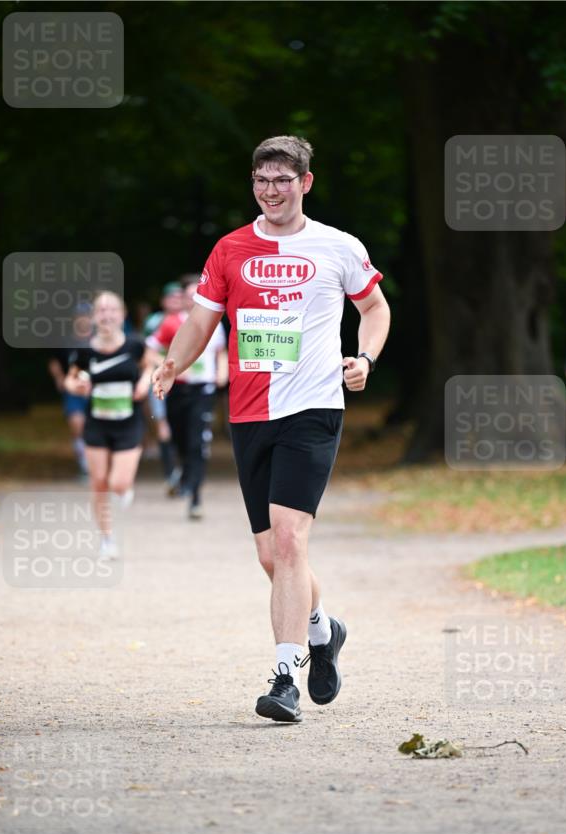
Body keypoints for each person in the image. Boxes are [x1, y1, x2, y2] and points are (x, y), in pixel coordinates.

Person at [153, 135, 390, 722]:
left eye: (283, 179)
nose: (271, 190)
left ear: (305, 183)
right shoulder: (230, 249)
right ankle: (322, 629)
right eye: (262, 180)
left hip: (313, 407)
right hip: (249, 411)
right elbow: (202, 320)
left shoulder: (337, 248)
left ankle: (284, 678)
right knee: (270, 556)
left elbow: (375, 309)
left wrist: (365, 361)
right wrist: (171, 365)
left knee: (289, 541)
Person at [64, 290, 154, 559]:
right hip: (97, 423)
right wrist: (76, 385)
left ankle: (124, 490)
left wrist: (144, 381)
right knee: (99, 483)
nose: (107, 315)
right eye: (101, 311)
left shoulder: (135, 344)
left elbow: (151, 366)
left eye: (112, 310)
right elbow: (71, 379)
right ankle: (107, 539)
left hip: (128, 422)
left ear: (122, 314)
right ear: (93, 317)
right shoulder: (84, 350)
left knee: (118, 482)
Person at [149, 278, 228, 518]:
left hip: (203, 389)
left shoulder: (215, 324)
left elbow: (220, 352)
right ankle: (184, 475)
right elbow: (149, 350)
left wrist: (222, 374)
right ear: (184, 299)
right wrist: (163, 368)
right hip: (178, 390)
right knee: (180, 439)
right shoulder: (172, 323)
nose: (195, 299)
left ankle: (195, 498)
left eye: (199, 294)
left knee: (197, 443)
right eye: (190, 295)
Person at [143, 282, 184, 491]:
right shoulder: (155, 322)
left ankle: (180, 470)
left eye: (179, 297)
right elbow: (147, 350)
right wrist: (166, 362)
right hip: (159, 377)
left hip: (182, 382)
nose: (175, 301)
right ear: (163, 301)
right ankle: (170, 473)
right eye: (171, 298)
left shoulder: (190, 321)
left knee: (179, 427)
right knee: (162, 425)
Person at [46, 302, 93, 478]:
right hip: (73, 389)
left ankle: (99, 464)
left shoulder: (98, 340)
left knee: (96, 426)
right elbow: (54, 361)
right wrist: (59, 378)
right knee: (77, 425)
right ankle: (85, 465)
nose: (83, 320)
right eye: (80, 316)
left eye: (86, 316)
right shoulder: (65, 340)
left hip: (95, 389)